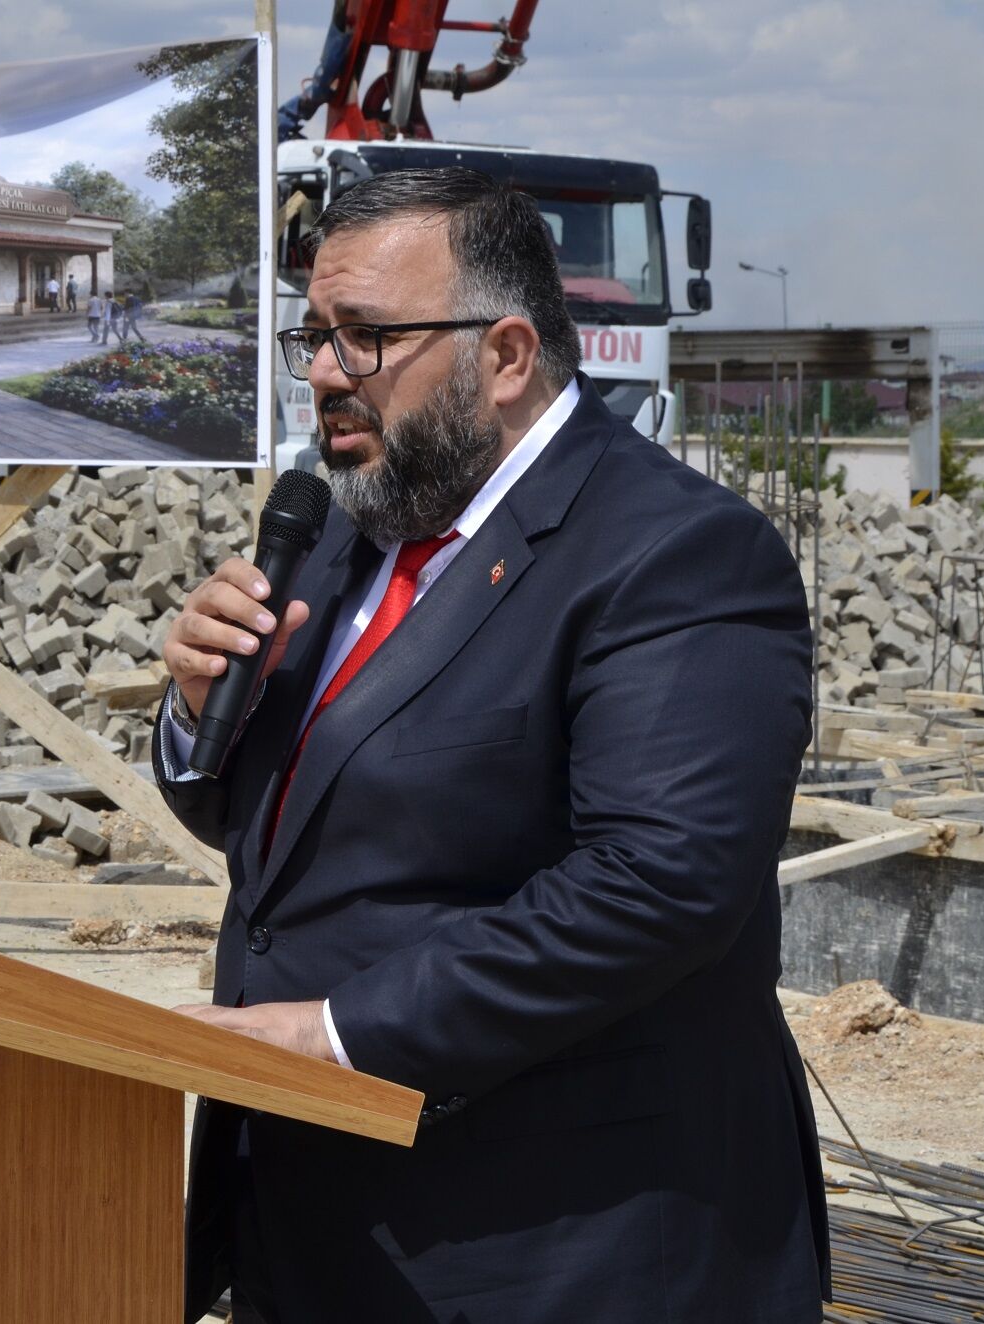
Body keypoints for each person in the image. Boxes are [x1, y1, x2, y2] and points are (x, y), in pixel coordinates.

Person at [154, 168, 826, 1323]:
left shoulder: (674, 556)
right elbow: (270, 837)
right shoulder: (346, 529)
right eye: (312, 334)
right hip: (318, 1220)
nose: (322, 372)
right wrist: (192, 708)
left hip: (556, 1245)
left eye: (364, 337)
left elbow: (657, 882)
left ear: (505, 355)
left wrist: (339, 1033)